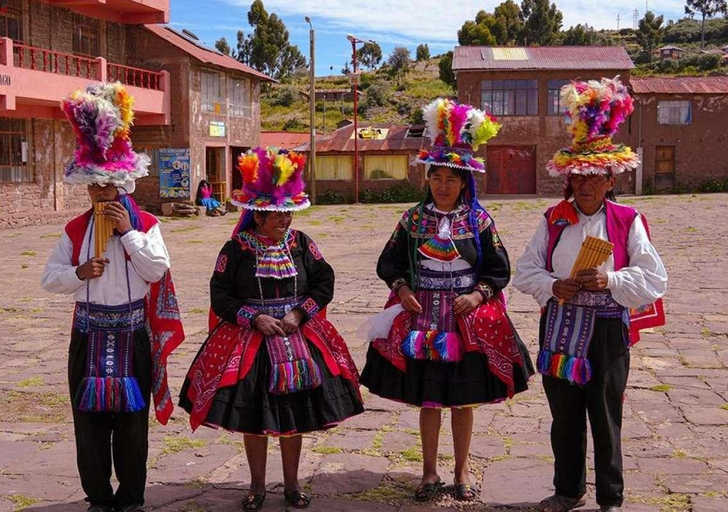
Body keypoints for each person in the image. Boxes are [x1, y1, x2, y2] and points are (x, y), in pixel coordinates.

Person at [359, 98, 533, 503]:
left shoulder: (479, 221)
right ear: (428, 179)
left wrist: (477, 295)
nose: (442, 185)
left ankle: (461, 472)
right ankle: (429, 472)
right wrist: (403, 290)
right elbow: (389, 262)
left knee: (462, 401)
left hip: (464, 322)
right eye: (436, 177)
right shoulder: (412, 220)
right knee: (430, 400)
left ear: (464, 183)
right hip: (422, 321)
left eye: (450, 179)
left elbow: (498, 268)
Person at [179, 147, 364, 512]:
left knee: (294, 417)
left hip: (299, 338)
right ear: (258, 215)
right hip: (251, 341)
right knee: (254, 417)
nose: (284, 218)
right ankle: (257, 486)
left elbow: (323, 282)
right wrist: (253, 318)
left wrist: (301, 314)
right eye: (276, 213)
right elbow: (220, 295)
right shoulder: (236, 249)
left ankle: (292, 485)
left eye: (288, 211)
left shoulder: (302, 244)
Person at [513, 77, 667, 512]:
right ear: (570, 177)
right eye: (579, 175)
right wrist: (552, 286)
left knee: (604, 415)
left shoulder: (626, 221)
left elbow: (654, 278)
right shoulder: (554, 219)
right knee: (564, 417)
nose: (585, 184)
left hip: (606, 332)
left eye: (595, 176)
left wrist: (612, 281)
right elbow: (526, 270)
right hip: (560, 325)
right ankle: (568, 489)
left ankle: (610, 497)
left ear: (610, 178)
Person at [42, 83, 185, 512]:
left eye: (109, 187)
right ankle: (98, 498)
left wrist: (129, 235)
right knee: (88, 428)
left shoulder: (147, 225)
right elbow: (50, 280)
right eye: (95, 188)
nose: (102, 194)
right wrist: (79, 273)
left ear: (124, 184)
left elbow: (157, 270)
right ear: (87, 189)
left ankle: (131, 497)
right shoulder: (73, 231)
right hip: (88, 338)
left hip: (131, 336)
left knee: (131, 428)